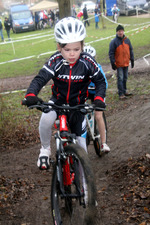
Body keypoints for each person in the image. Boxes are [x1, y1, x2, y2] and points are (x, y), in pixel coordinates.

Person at [23, 17, 106, 170]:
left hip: (78, 105)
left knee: (82, 150)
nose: (72, 54)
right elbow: (41, 78)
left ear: (82, 46)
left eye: (76, 49)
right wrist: (31, 94)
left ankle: (86, 189)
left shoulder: (87, 61)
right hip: (58, 102)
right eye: (67, 50)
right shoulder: (55, 60)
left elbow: (100, 81)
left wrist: (99, 98)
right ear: (59, 47)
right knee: (46, 119)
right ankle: (45, 149)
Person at [84, 45, 110, 152]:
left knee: (98, 115)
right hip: (86, 92)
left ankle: (103, 143)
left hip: (97, 92)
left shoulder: (98, 68)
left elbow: (104, 84)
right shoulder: (81, 68)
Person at [109, 25, 134, 100]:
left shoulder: (127, 40)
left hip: (126, 63)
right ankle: (121, 94)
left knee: (125, 78)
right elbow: (111, 53)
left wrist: (132, 59)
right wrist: (113, 63)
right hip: (119, 64)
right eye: (119, 31)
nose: (120, 32)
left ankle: (125, 90)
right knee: (120, 78)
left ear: (123, 31)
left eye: (121, 31)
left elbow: (131, 50)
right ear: (117, 32)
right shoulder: (114, 42)